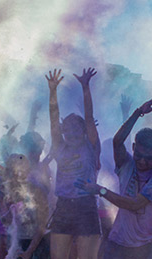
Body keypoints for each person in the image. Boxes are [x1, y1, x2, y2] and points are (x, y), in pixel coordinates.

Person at [77, 93, 152, 259]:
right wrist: (137, 113)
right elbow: (117, 142)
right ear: (133, 147)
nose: (142, 161)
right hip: (119, 241)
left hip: (150, 244)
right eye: (138, 155)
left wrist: (101, 190)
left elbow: (135, 205)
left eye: (148, 158)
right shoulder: (127, 163)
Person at [45, 68, 102, 259]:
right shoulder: (60, 146)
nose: (70, 133)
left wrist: (85, 87)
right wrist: (53, 91)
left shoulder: (90, 146)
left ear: (83, 131)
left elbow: (88, 118)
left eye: (75, 129)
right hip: (63, 207)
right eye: (66, 130)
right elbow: (53, 119)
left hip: (86, 206)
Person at [0, 154, 50, 259]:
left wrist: (29, 251)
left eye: (22, 168)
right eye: (14, 168)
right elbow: (6, 222)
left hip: (37, 242)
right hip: (14, 242)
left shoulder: (37, 191)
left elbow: (42, 225)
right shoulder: (0, 191)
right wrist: (11, 208)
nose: (18, 173)